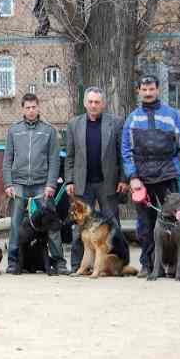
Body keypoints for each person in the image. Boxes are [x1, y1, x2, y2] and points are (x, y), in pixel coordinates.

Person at [121, 75, 180, 278]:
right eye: (144, 89)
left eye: (151, 89)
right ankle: (148, 265)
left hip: (168, 175)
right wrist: (133, 176)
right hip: (142, 179)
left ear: (158, 90)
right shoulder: (132, 118)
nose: (148, 93)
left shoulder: (172, 115)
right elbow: (126, 151)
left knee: (177, 221)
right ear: (138, 91)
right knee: (145, 224)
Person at [65, 87, 128, 272]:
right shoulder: (74, 124)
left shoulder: (116, 123)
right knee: (80, 228)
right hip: (82, 184)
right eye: (90, 102)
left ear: (103, 104)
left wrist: (124, 179)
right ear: (85, 103)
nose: (93, 105)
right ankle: (78, 266)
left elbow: (122, 154)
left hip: (108, 182)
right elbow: (69, 156)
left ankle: (119, 264)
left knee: (114, 225)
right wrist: (69, 181)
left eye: (97, 102)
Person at [3, 93, 67, 274]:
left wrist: (51, 184)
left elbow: (54, 160)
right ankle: (13, 261)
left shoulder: (48, 130)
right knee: (16, 223)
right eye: (27, 107)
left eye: (34, 107)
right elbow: (7, 158)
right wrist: (8, 183)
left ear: (39, 107)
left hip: (42, 183)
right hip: (18, 183)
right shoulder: (14, 130)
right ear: (23, 109)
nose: (31, 110)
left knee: (52, 223)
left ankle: (59, 262)